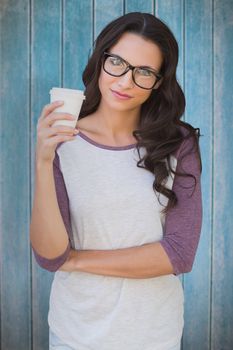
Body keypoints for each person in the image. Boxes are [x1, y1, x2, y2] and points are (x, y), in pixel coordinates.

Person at [30, 12, 203, 350]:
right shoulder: (63, 139)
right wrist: (43, 159)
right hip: (75, 333)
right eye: (117, 63)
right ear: (100, 59)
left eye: (144, 72)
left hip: (154, 334)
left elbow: (179, 254)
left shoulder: (179, 142)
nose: (125, 82)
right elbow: (50, 254)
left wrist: (76, 260)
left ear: (158, 81)